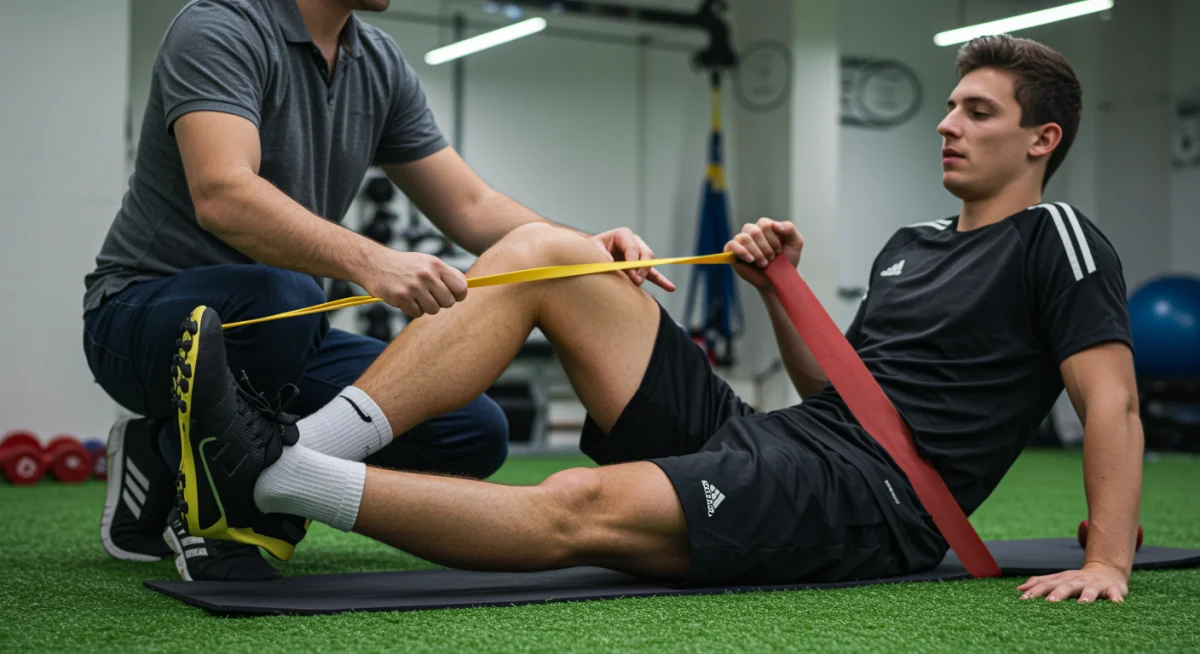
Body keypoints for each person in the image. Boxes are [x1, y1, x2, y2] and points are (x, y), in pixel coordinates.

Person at [171, 34, 1145, 602]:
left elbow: (1112, 406)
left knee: (577, 504)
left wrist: (1107, 557)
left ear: (1041, 138)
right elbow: (839, 392)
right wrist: (779, 292)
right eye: (951, 106)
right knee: (555, 250)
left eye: (978, 111)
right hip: (793, 440)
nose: (948, 123)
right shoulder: (912, 245)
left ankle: (276, 476)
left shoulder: (1056, 238)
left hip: (869, 506)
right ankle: (302, 447)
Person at [83, 0, 669, 582]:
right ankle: (216, 506)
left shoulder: (377, 62)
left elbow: (472, 206)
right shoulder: (221, 26)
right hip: (141, 318)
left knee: (471, 433)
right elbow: (224, 194)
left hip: (287, 327)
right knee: (282, 297)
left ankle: (163, 448)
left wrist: (581, 250)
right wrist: (375, 261)